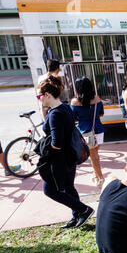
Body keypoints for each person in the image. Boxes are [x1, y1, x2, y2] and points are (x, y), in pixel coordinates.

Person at [36, 76, 94, 229]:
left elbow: (57, 142)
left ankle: (84, 210)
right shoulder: (65, 107)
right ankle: (77, 215)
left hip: (59, 160)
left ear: (47, 94)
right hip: (70, 156)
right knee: (68, 188)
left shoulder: (55, 114)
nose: (39, 99)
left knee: (50, 190)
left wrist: (44, 145)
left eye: (39, 96)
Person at [70, 77, 105, 187]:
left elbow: (73, 118)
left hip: (86, 132)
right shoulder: (97, 99)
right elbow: (101, 114)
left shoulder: (75, 101)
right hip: (99, 130)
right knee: (95, 155)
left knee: (93, 157)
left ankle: (101, 179)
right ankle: (96, 174)